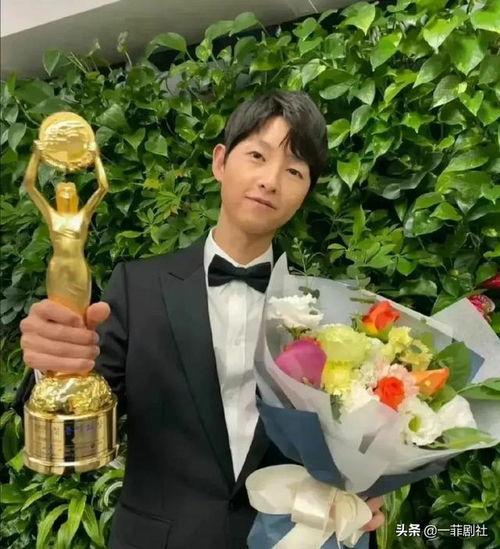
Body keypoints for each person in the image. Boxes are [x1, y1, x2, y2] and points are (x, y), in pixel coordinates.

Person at [13, 91, 385, 549]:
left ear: (305, 191)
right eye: (257, 156)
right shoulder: (138, 286)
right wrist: (54, 368)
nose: (270, 181)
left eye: (294, 171)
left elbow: (342, 442)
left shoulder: (325, 314)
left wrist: (356, 498)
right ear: (220, 162)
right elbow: (85, 408)